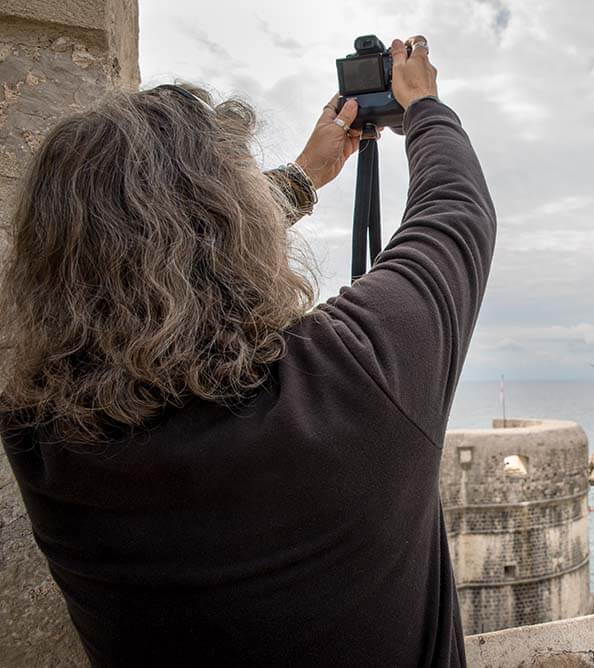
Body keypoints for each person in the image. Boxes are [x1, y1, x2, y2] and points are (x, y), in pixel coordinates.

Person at [0, 35, 495, 667]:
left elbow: (144, 255)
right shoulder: (349, 381)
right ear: (239, 231)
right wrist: (424, 104)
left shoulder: (41, 443)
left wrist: (302, 176)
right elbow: (454, 213)